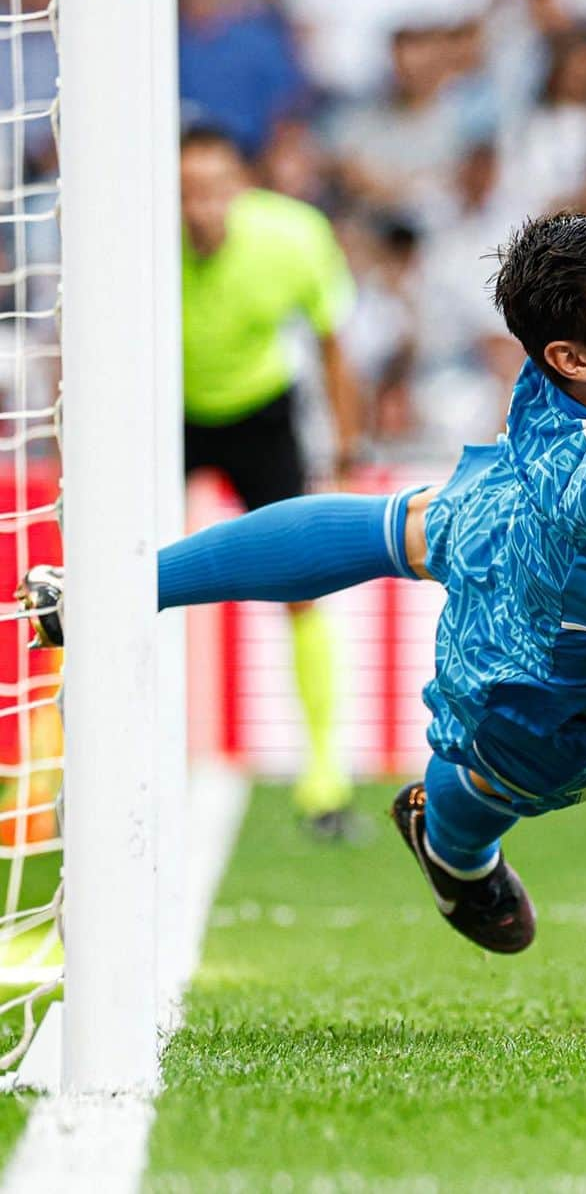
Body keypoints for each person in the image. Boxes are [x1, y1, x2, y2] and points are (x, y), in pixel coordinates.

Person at [22, 63, 586, 953]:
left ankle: (113, 592)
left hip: (513, 509)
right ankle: (451, 848)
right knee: (506, 790)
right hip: (539, 668)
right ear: (572, 358)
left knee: (407, 525)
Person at [179, 124, 363, 836]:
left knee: (302, 586)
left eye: (215, 190)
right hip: (166, 412)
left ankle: (326, 782)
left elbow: (332, 344)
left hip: (260, 411)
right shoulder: (133, 239)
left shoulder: (292, 238)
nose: (202, 209)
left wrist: (346, 447)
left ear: (242, 187)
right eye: (188, 193)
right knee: (118, 575)